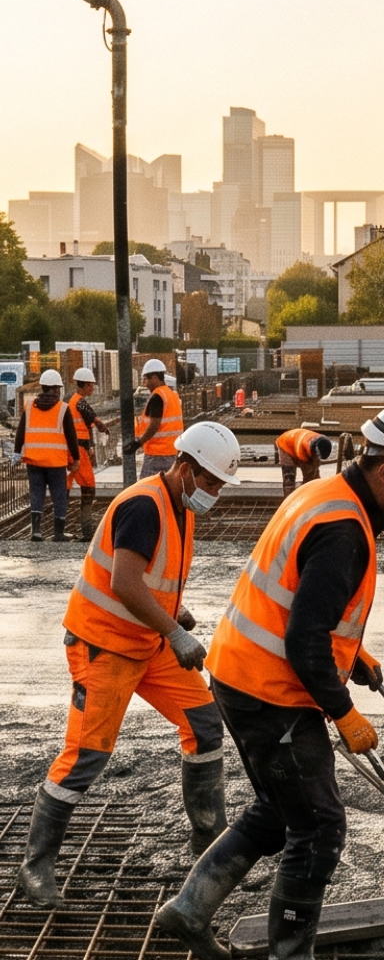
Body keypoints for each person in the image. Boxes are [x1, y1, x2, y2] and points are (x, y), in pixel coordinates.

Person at [155, 403, 384, 960]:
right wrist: (343, 712)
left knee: (278, 809)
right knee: (319, 826)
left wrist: (355, 653)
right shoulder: (343, 529)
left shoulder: (324, 495)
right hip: (272, 692)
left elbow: (303, 603)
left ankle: (189, 909)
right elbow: (303, 639)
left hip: (240, 674)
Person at [18, 422, 243, 908]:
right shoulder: (144, 505)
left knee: (205, 724)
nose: (215, 492)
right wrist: (174, 631)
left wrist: (174, 612)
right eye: (211, 482)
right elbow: (123, 582)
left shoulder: (180, 506)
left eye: (221, 485)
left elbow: (149, 575)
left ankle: (208, 843)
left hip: (146, 641)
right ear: (185, 468)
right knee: (86, 756)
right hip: (104, 645)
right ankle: (35, 867)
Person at [14, 368, 79, 542]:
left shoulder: (29, 406)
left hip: (34, 459)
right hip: (55, 462)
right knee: (59, 495)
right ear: (56, 389)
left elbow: (20, 431)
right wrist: (76, 458)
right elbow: (71, 436)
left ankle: (36, 531)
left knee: (36, 493)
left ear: (42, 387)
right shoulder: (62, 408)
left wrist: (16, 453)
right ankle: (58, 533)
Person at [67, 365, 111, 540]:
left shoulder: (73, 401)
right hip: (78, 450)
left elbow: (88, 426)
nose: (93, 388)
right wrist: (105, 429)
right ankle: (87, 531)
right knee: (88, 488)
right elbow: (95, 421)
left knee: (66, 487)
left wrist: (91, 444)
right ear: (85, 385)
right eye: (91, 385)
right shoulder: (80, 402)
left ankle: (60, 527)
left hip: (73, 448)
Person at [130, 359, 184, 478]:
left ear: (154, 377)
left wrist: (138, 443)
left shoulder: (157, 397)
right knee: (168, 484)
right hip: (172, 450)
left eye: (146, 380)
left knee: (147, 485)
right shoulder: (172, 394)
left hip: (157, 453)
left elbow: (154, 425)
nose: (145, 384)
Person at [276, 427, 334, 495]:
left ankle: (312, 495)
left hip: (297, 440)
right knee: (289, 478)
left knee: (313, 477)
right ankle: (289, 498)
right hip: (285, 445)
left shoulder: (321, 442)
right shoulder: (302, 450)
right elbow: (306, 470)